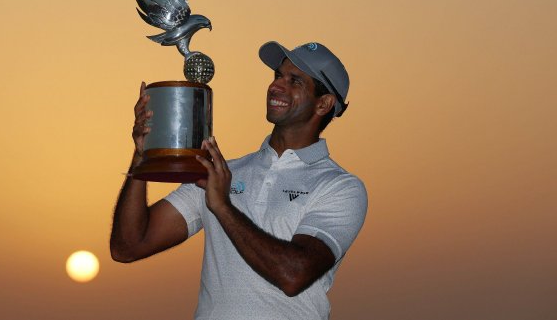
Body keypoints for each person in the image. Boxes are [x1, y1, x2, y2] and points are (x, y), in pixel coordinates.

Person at [110, 41, 368, 320]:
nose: (276, 86)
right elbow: (128, 246)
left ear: (324, 103)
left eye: (295, 81)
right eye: (277, 76)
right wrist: (142, 156)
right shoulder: (221, 173)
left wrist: (223, 207)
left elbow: (293, 275)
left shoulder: (340, 187)